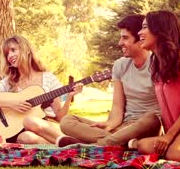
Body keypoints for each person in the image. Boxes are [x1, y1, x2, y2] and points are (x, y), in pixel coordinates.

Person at [58, 14, 161, 147]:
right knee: (67, 121)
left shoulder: (157, 65)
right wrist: (110, 124)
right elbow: (117, 106)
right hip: (122, 127)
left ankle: (91, 146)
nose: (120, 43)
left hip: (145, 127)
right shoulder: (120, 65)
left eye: (125, 38)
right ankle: (121, 143)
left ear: (140, 39)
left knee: (152, 119)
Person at [0, 35, 83, 144]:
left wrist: (70, 96)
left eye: (13, 50)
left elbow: (60, 118)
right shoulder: (8, 81)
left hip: (46, 126)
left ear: (26, 50)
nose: (10, 56)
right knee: (25, 138)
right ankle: (66, 144)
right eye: (7, 54)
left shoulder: (48, 78)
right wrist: (11, 104)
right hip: (21, 130)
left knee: (30, 121)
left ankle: (65, 141)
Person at [130, 10, 180, 161]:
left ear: (160, 30)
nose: (140, 32)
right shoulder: (157, 64)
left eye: (145, 27)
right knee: (143, 146)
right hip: (176, 131)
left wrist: (169, 136)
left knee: (172, 153)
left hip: (176, 132)